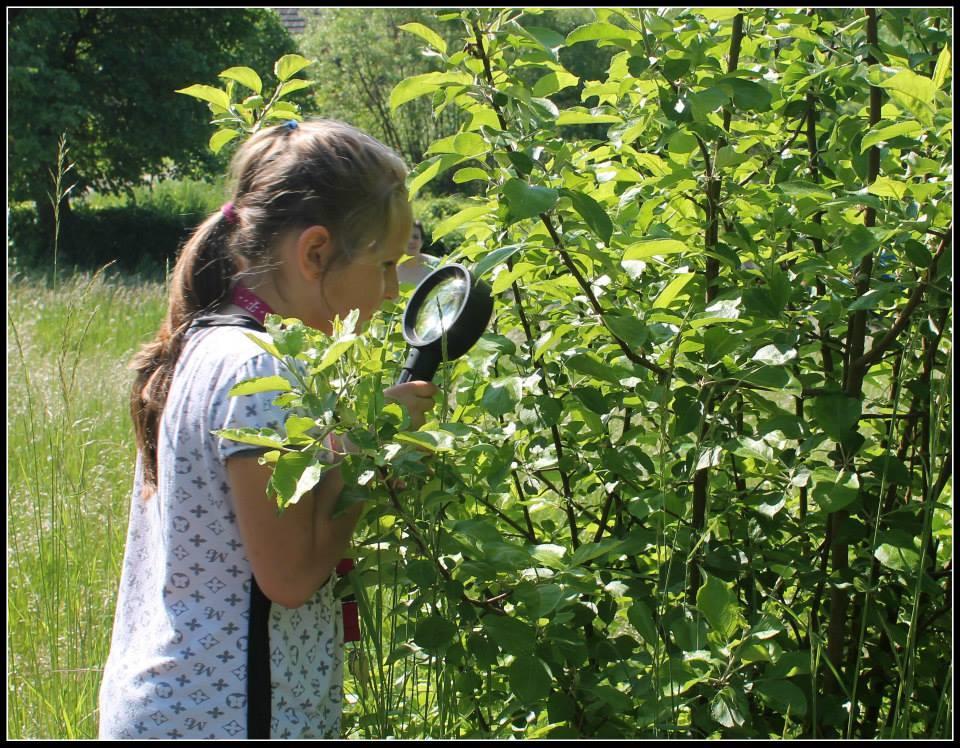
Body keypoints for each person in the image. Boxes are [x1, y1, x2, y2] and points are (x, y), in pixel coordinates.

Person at [98, 119, 438, 739]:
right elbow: (290, 575)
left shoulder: (209, 342)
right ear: (314, 253)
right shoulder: (261, 370)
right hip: (228, 717)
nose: (392, 292)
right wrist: (372, 449)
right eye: (385, 265)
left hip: (185, 706)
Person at [396, 219, 440, 288]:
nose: (411, 241)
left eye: (415, 237)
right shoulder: (390, 270)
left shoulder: (436, 265)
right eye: (406, 236)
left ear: (422, 242)